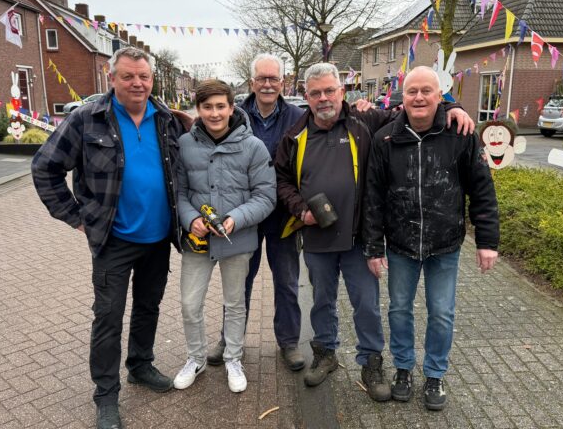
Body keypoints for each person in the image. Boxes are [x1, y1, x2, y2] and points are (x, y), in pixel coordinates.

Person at [275, 62, 475, 402]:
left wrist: (452, 106)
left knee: (367, 305)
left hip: (358, 238)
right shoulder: (294, 136)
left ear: (341, 92)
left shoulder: (366, 121)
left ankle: (371, 363)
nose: (323, 98)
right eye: (316, 93)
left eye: (329, 90)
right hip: (317, 236)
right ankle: (325, 353)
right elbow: (282, 180)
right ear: (306, 97)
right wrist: (300, 209)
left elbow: (415, 108)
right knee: (321, 301)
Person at [31, 47, 188, 429]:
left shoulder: (167, 119)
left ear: (152, 80)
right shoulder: (87, 119)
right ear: (112, 78)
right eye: (128, 76)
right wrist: (75, 217)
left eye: (144, 76)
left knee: (148, 306)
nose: (137, 83)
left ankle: (140, 365)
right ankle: (106, 396)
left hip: (158, 238)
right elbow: (45, 167)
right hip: (113, 241)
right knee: (108, 318)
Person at [362, 66, 499, 409]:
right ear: (403, 97)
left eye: (427, 91)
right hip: (400, 244)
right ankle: (403, 368)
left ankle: (435, 374)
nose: (419, 97)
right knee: (399, 310)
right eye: (412, 91)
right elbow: (373, 197)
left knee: (441, 312)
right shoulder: (385, 139)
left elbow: (482, 189)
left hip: (444, 244)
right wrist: (374, 246)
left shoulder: (461, 134)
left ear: (440, 96)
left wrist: (487, 242)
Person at [173, 79, 276, 393]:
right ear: (198, 109)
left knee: (235, 303)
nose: (214, 113)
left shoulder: (253, 147)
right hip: (198, 241)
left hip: (237, 239)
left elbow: (266, 196)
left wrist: (235, 219)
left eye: (220, 106)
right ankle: (196, 358)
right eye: (207, 107)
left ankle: (233, 357)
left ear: (232, 108)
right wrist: (191, 219)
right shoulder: (184, 145)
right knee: (190, 304)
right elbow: (179, 192)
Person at [206, 54, 307, 371]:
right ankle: (229, 339)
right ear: (251, 82)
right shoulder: (233, 115)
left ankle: (289, 342)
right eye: (261, 78)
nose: (267, 84)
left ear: (283, 82)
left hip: (284, 214)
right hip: (243, 214)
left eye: (273, 78)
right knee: (238, 282)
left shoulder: (299, 117)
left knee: (287, 281)